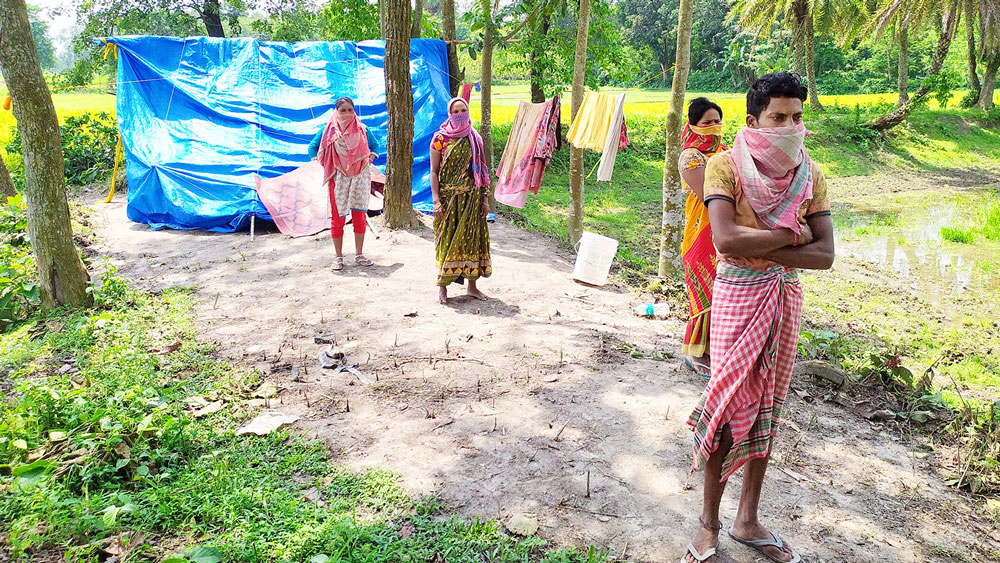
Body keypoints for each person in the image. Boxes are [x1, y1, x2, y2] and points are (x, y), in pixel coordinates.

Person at [681, 72, 834, 563]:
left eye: (796, 117)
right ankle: (709, 522)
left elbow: (826, 254)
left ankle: (747, 520)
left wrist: (768, 246)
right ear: (754, 120)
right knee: (726, 408)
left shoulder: (808, 174)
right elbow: (725, 240)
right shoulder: (724, 166)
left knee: (768, 407)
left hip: (784, 299)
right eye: (778, 117)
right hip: (738, 296)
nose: (789, 126)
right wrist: (792, 237)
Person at [678, 97, 727, 378]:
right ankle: (697, 354)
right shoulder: (690, 156)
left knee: (723, 295)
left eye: (717, 121)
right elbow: (707, 195)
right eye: (707, 122)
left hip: (725, 233)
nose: (713, 126)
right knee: (705, 296)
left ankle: (717, 351)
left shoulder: (727, 150)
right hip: (700, 236)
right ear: (693, 125)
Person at [429, 97, 492, 304]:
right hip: (448, 200)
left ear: (468, 111)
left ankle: (472, 287)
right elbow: (434, 171)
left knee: (472, 242)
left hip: (472, 199)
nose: (459, 114)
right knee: (445, 241)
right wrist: (436, 201)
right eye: (455, 111)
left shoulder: (474, 138)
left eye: (462, 110)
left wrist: (484, 199)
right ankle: (442, 287)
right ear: (449, 113)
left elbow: (481, 171)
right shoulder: (440, 138)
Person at [308, 97, 379, 271]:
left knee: (359, 215)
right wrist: (325, 161)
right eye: (343, 110)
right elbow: (313, 148)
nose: (347, 113)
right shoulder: (328, 131)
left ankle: (359, 254)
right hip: (338, 178)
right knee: (338, 217)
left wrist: (369, 158)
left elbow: (375, 146)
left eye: (350, 110)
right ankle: (338, 257)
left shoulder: (363, 129)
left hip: (360, 178)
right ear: (336, 112)